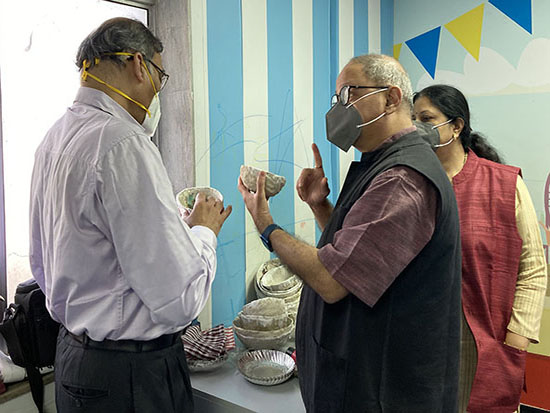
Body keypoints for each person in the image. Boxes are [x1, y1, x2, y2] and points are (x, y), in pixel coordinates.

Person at [238, 54, 462, 412]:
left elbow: (331, 278)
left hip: (384, 390)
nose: (338, 110)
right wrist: (319, 206)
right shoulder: (383, 165)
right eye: (335, 99)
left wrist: (266, 224)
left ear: (390, 98)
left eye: (347, 96)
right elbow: (363, 257)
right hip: (358, 376)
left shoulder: (403, 179)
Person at [29, 18, 232, 412]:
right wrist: (204, 232)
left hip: (73, 360)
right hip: (129, 374)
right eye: (160, 76)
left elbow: (46, 262)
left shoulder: (53, 140)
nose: (157, 92)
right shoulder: (123, 143)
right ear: (140, 65)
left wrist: (176, 230)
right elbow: (179, 300)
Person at [413, 85, 547, 413]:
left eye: (427, 118)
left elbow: (533, 265)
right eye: (413, 119)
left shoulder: (503, 184)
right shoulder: (412, 185)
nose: (417, 127)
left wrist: (517, 335)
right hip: (421, 344)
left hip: (487, 343)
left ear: (456, 126)